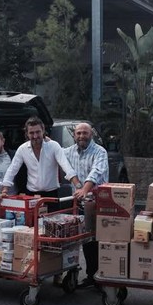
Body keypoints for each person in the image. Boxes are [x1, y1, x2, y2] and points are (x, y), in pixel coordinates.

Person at [64, 122, 109, 288]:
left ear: (91, 135)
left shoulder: (100, 152)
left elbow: (96, 172)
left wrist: (85, 189)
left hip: (97, 202)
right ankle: (91, 276)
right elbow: (56, 156)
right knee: (85, 241)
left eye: (85, 133)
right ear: (74, 136)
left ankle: (102, 277)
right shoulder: (68, 152)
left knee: (98, 241)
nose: (81, 136)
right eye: (78, 133)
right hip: (78, 203)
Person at [0, 116, 81, 205]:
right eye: (31, 133)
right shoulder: (22, 149)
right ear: (27, 134)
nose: (35, 136)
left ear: (43, 131)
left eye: (38, 132)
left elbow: (66, 166)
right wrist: (4, 190)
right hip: (31, 196)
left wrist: (78, 186)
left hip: (51, 195)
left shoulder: (54, 146)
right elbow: (12, 170)